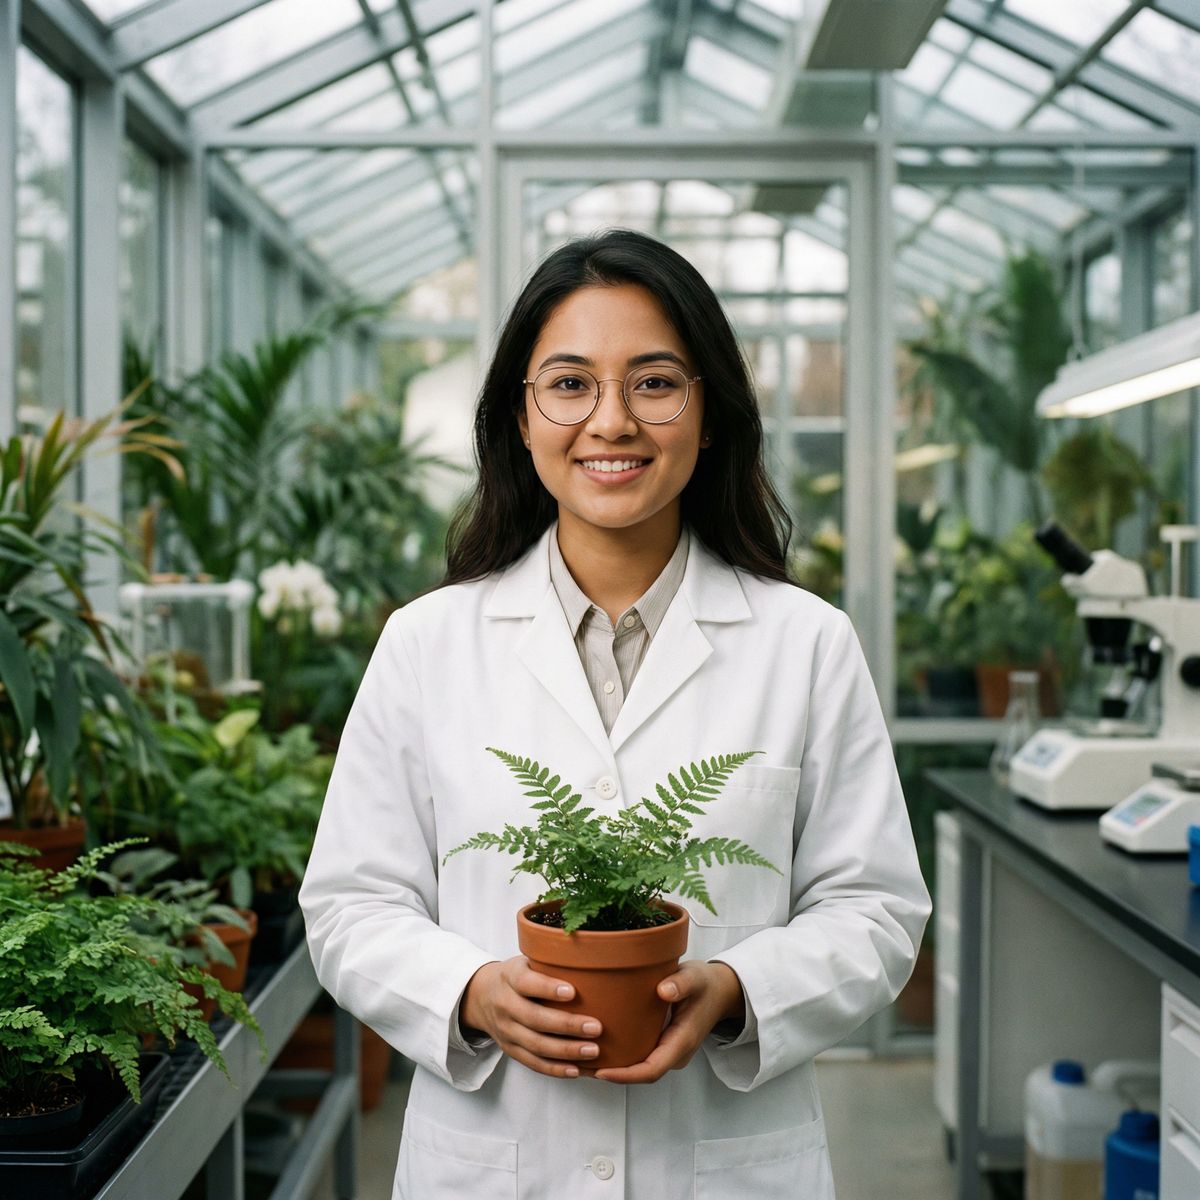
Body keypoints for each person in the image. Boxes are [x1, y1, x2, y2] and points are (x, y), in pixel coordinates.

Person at [300, 229, 931, 1198]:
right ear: (520, 416)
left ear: (709, 414)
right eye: (569, 384)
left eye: (654, 383)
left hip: (725, 1164)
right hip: (495, 1162)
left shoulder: (806, 643)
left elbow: (876, 910)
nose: (611, 421)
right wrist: (471, 993)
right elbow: (349, 904)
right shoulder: (427, 644)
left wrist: (737, 991)